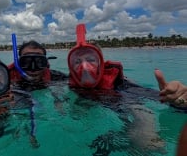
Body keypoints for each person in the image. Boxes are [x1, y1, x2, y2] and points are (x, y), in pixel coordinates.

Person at [67, 23, 166, 155]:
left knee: (144, 140)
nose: (84, 67)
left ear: (102, 64)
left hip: (121, 106)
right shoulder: (69, 84)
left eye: (91, 59)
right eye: (77, 62)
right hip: (100, 120)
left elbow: (141, 105)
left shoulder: (119, 85)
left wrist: (172, 99)